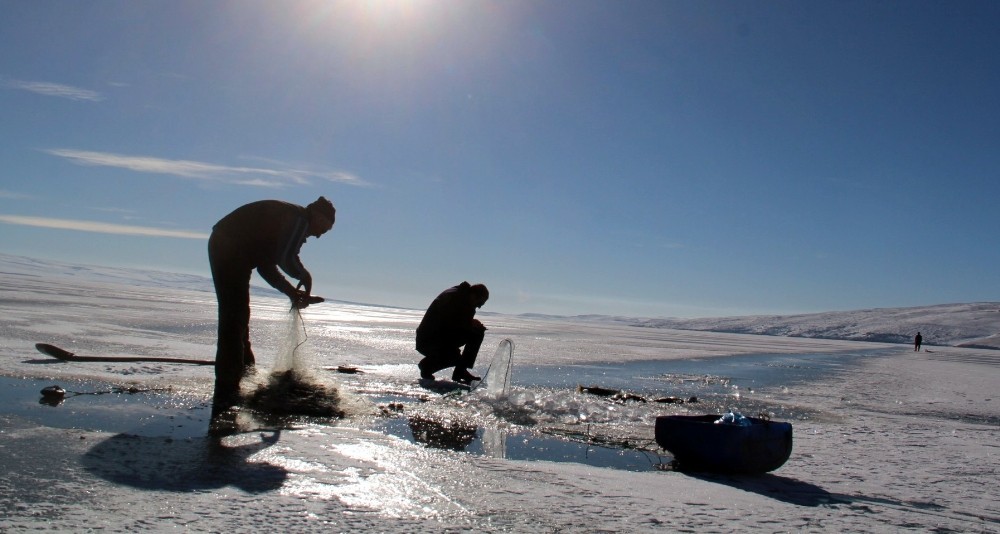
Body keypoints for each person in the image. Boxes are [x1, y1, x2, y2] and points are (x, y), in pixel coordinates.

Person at [208, 197, 335, 406]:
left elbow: (266, 268)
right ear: (318, 216)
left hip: (229, 248)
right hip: (228, 247)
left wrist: (292, 293)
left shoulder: (284, 224)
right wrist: (304, 275)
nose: (319, 235)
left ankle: (245, 376)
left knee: (239, 316)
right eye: (324, 229)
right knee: (233, 318)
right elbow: (287, 258)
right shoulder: (298, 219)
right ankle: (227, 390)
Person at [416, 282, 489, 384]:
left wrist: (470, 324)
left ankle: (460, 371)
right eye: (479, 303)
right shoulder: (456, 299)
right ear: (473, 295)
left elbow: (455, 324)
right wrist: (471, 324)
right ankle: (427, 366)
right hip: (429, 341)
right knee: (457, 353)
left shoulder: (461, 297)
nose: (479, 306)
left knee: (476, 333)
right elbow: (450, 323)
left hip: (437, 337)